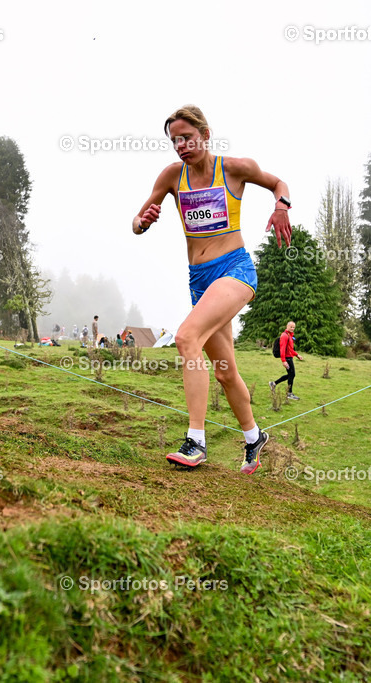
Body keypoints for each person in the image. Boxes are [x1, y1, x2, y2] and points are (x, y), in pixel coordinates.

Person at [133, 105, 291, 474]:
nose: (181, 146)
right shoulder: (172, 176)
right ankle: (254, 438)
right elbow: (136, 223)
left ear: (205, 134)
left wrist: (282, 206)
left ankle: (196, 442)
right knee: (224, 370)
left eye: (187, 137)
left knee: (187, 337)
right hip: (200, 280)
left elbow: (278, 183)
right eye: (175, 141)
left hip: (235, 270)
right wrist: (144, 221)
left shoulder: (235, 168)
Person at [270, 322, 301, 401]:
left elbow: (291, 349)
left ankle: (274, 383)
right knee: (292, 374)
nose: (292, 328)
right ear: (287, 326)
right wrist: (283, 361)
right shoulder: (284, 336)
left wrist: (297, 355)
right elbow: (282, 349)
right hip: (287, 358)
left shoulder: (290, 336)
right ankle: (289, 393)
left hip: (290, 357)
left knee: (291, 375)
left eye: (294, 327)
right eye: (291, 327)